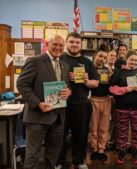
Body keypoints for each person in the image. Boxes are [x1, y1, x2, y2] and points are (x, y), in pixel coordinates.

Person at [17, 35, 71, 169]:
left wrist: (69, 92)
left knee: (52, 156)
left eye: (61, 45)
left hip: (58, 118)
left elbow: (66, 87)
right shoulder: (35, 61)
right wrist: (38, 103)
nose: (58, 48)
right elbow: (22, 84)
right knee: (32, 156)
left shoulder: (65, 66)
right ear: (47, 44)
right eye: (55, 44)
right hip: (37, 117)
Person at [56, 32, 99, 169]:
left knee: (80, 135)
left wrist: (86, 81)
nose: (74, 44)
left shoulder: (87, 62)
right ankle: (58, 161)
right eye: (71, 42)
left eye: (77, 42)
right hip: (60, 104)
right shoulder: (59, 58)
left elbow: (95, 83)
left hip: (80, 104)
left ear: (81, 45)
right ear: (66, 43)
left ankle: (79, 161)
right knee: (59, 134)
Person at [109, 50, 137, 165]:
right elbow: (112, 88)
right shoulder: (119, 72)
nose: (134, 62)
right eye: (132, 59)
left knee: (136, 131)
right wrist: (125, 89)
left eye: (136, 60)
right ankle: (121, 151)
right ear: (126, 59)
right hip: (122, 108)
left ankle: (135, 151)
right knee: (122, 131)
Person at [90, 47, 114, 161]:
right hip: (94, 100)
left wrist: (111, 77)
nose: (102, 59)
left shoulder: (107, 70)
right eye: (100, 56)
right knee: (94, 126)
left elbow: (111, 86)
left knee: (104, 127)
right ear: (95, 55)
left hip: (106, 100)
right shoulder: (90, 68)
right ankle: (94, 148)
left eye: (104, 57)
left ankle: (101, 148)